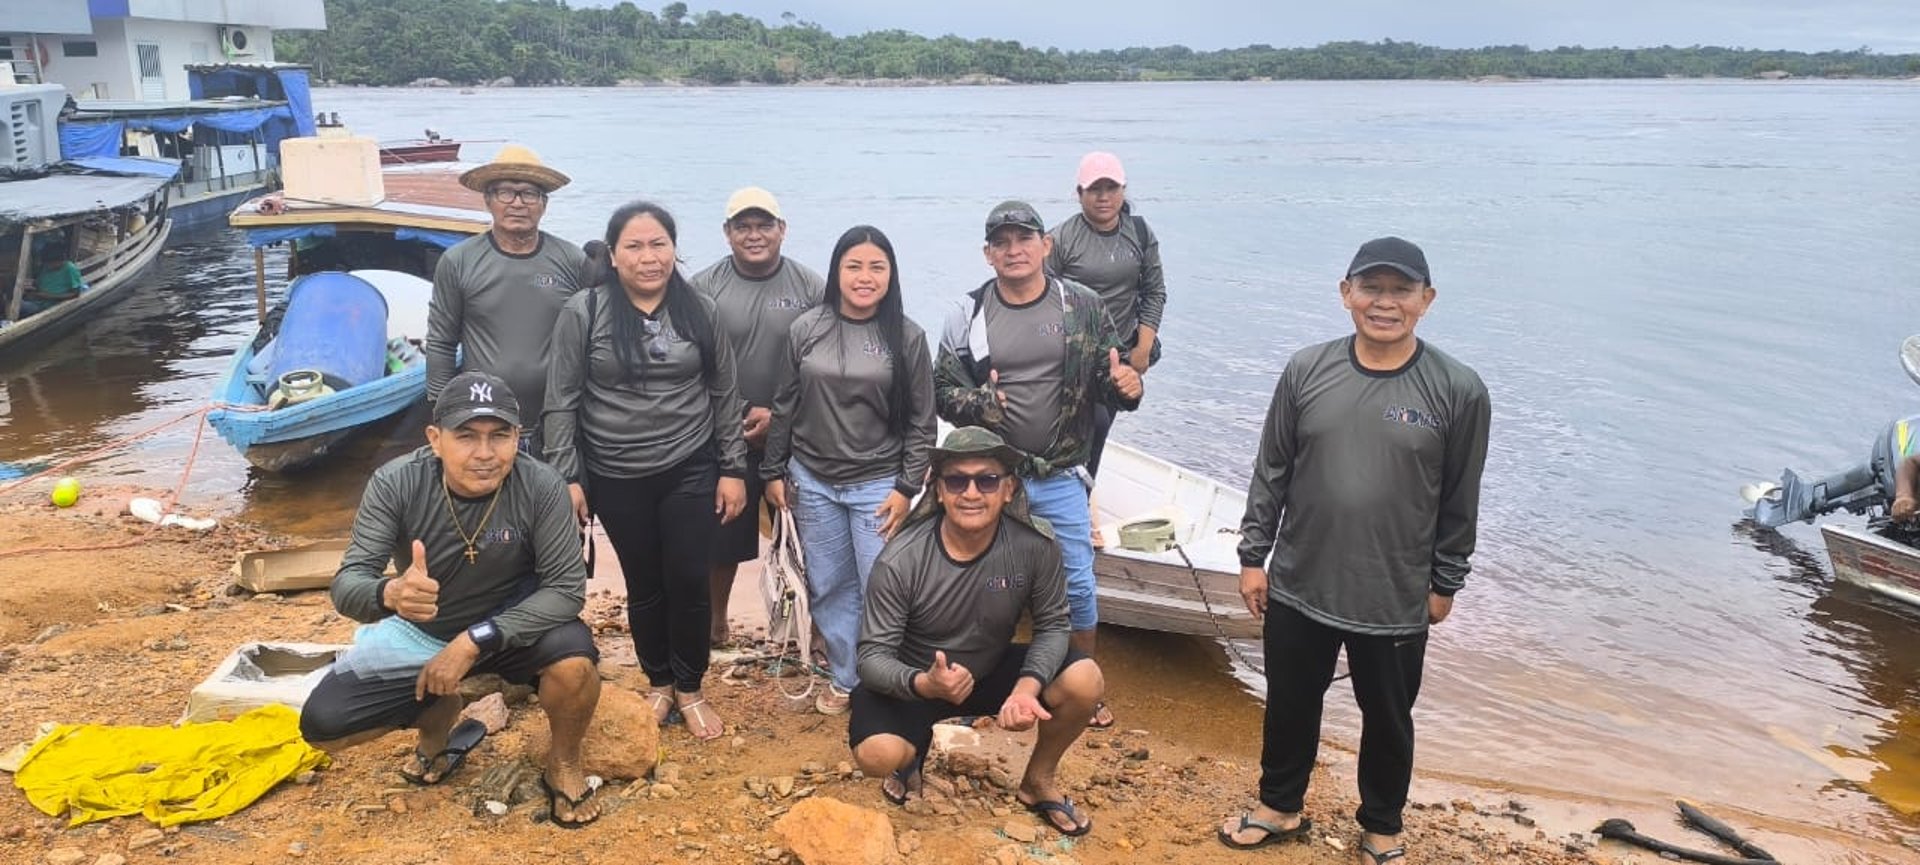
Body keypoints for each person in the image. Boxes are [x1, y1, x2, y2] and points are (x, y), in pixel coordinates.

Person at [1221, 237, 1490, 863]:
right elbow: (1272, 471)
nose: (1385, 303)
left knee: (1389, 718)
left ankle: (1382, 827)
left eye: (1401, 291)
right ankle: (1279, 807)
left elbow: (1460, 497)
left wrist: (1446, 582)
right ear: (1347, 294)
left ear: (1427, 300)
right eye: (1371, 288)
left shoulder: (1459, 389)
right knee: (1290, 703)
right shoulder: (1307, 370)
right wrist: (1252, 556)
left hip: (1395, 593)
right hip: (1299, 580)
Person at [298, 371, 603, 828]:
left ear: (518, 438)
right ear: (435, 439)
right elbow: (347, 585)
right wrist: (391, 593)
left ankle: (563, 763)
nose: (485, 454)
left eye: (499, 436)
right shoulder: (396, 483)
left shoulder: (541, 485)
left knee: (576, 666)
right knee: (324, 726)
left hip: (514, 627)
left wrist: (472, 642)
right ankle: (437, 720)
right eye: (467, 437)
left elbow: (564, 589)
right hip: (424, 632)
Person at [934, 200, 1142, 729]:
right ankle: (973, 685)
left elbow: (1111, 377)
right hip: (991, 475)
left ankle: (1082, 683)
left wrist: (1128, 387)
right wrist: (980, 405)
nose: (1014, 249)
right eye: (1001, 242)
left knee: (1076, 585)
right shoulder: (969, 311)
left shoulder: (1083, 305)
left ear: (1046, 246)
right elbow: (940, 389)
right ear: (987, 254)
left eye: (1024, 238)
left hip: (1060, 473)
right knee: (973, 578)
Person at [544, 201, 748, 741]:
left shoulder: (700, 310)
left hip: (690, 463)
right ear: (612, 255)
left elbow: (725, 393)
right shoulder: (584, 312)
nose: (648, 257)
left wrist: (734, 468)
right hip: (614, 470)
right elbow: (561, 399)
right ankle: (658, 680)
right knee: (644, 581)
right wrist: (567, 475)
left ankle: (691, 686)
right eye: (633, 246)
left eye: (658, 244)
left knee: (687, 575)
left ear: (674, 250)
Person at [850, 426, 1105, 837]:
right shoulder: (900, 559)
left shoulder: (1034, 546)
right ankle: (909, 758)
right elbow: (870, 658)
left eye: (986, 479)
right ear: (937, 491)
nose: (971, 493)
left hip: (988, 669)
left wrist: (1026, 688)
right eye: (956, 480)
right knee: (878, 754)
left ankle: (1037, 782)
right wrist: (924, 683)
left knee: (1084, 679)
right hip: (915, 681)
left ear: (1009, 489)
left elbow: (1054, 624)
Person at [762, 225, 937, 715]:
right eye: (853, 266)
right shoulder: (806, 328)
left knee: (882, 586)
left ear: (891, 274)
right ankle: (846, 677)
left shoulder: (906, 336)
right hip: (812, 480)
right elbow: (785, 405)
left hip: (878, 485)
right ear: (836, 271)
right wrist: (773, 471)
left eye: (876, 267)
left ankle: (888, 679)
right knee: (830, 584)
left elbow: (923, 421)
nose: (864, 277)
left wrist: (907, 487)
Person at [691, 187, 826, 648]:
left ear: (782, 230)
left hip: (796, 432)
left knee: (804, 535)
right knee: (720, 534)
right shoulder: (704, 287)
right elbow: (691, 363)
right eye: (743, 226)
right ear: (727, 233)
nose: (754, 235)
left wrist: (781, 417)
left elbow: (826, 362)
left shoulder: (811, 287)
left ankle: (813, 631)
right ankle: (714, 625)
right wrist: (736, 416)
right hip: (725, 433)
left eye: (764, 225)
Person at [426, 144, 588, 457]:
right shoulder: (459, 261)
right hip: (486, 424)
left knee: (559, 502)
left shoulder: (570, 259)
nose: (517, 203)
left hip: (559, 423)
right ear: (488, 200)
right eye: (505, 193)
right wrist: (442, 414)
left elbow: (591, 340)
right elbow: (441, 343)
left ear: (543, 204)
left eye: (529, 193)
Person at [1045, 151, 1168, 478]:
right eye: (1094, 189)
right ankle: (1075, 500)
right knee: (1083, 427)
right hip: (1072, 354)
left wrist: (1142, 350)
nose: (1103, 197)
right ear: (1079, 193)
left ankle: (1081, 499)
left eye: (1111, 188)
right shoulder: (1059, 239)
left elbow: (1154, 291)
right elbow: (1041, 297)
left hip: (1120, 352)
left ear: (1123, 190)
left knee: (1099, 426)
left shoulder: (1139, 233)